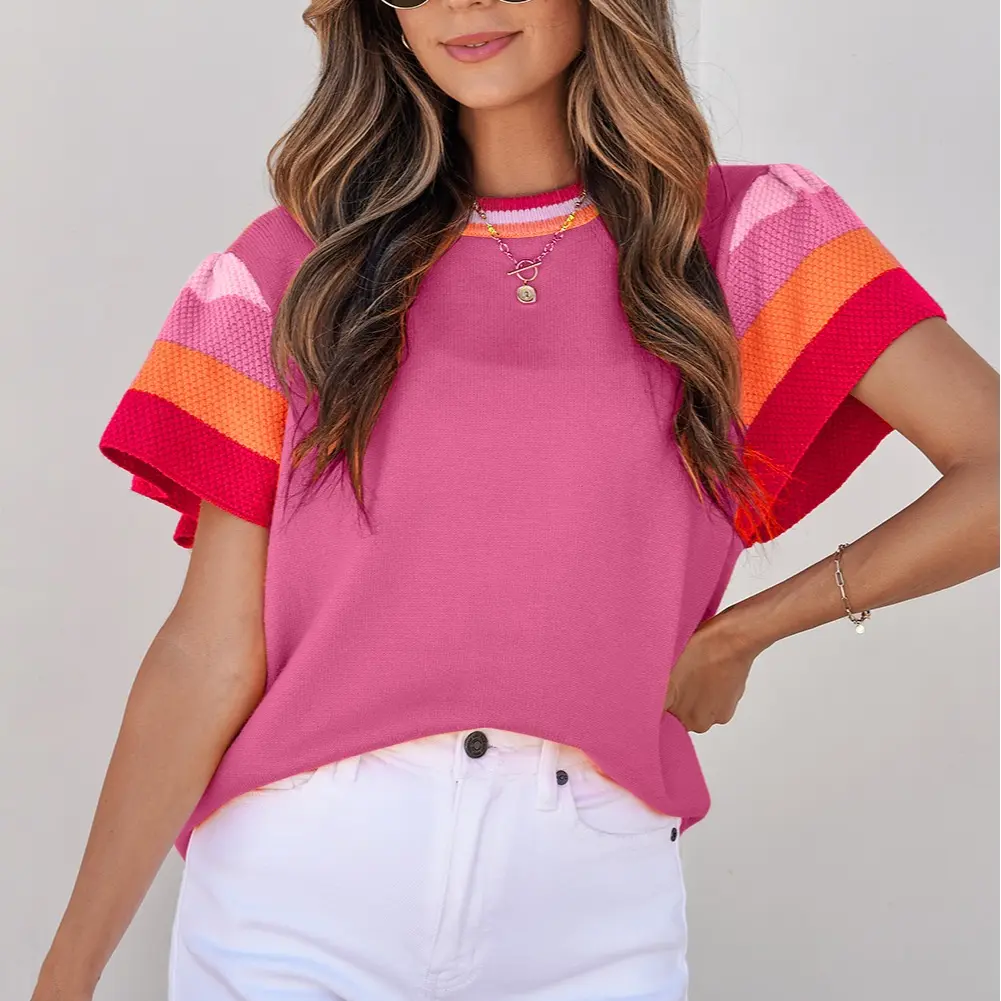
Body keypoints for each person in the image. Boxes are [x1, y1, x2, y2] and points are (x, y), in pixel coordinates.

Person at [31, 0, 999, 998]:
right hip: (297, 895)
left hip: (591, 914)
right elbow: (207, 651)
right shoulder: (292, 274)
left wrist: (743, 633)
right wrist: (67, 974)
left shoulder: (743, 238)